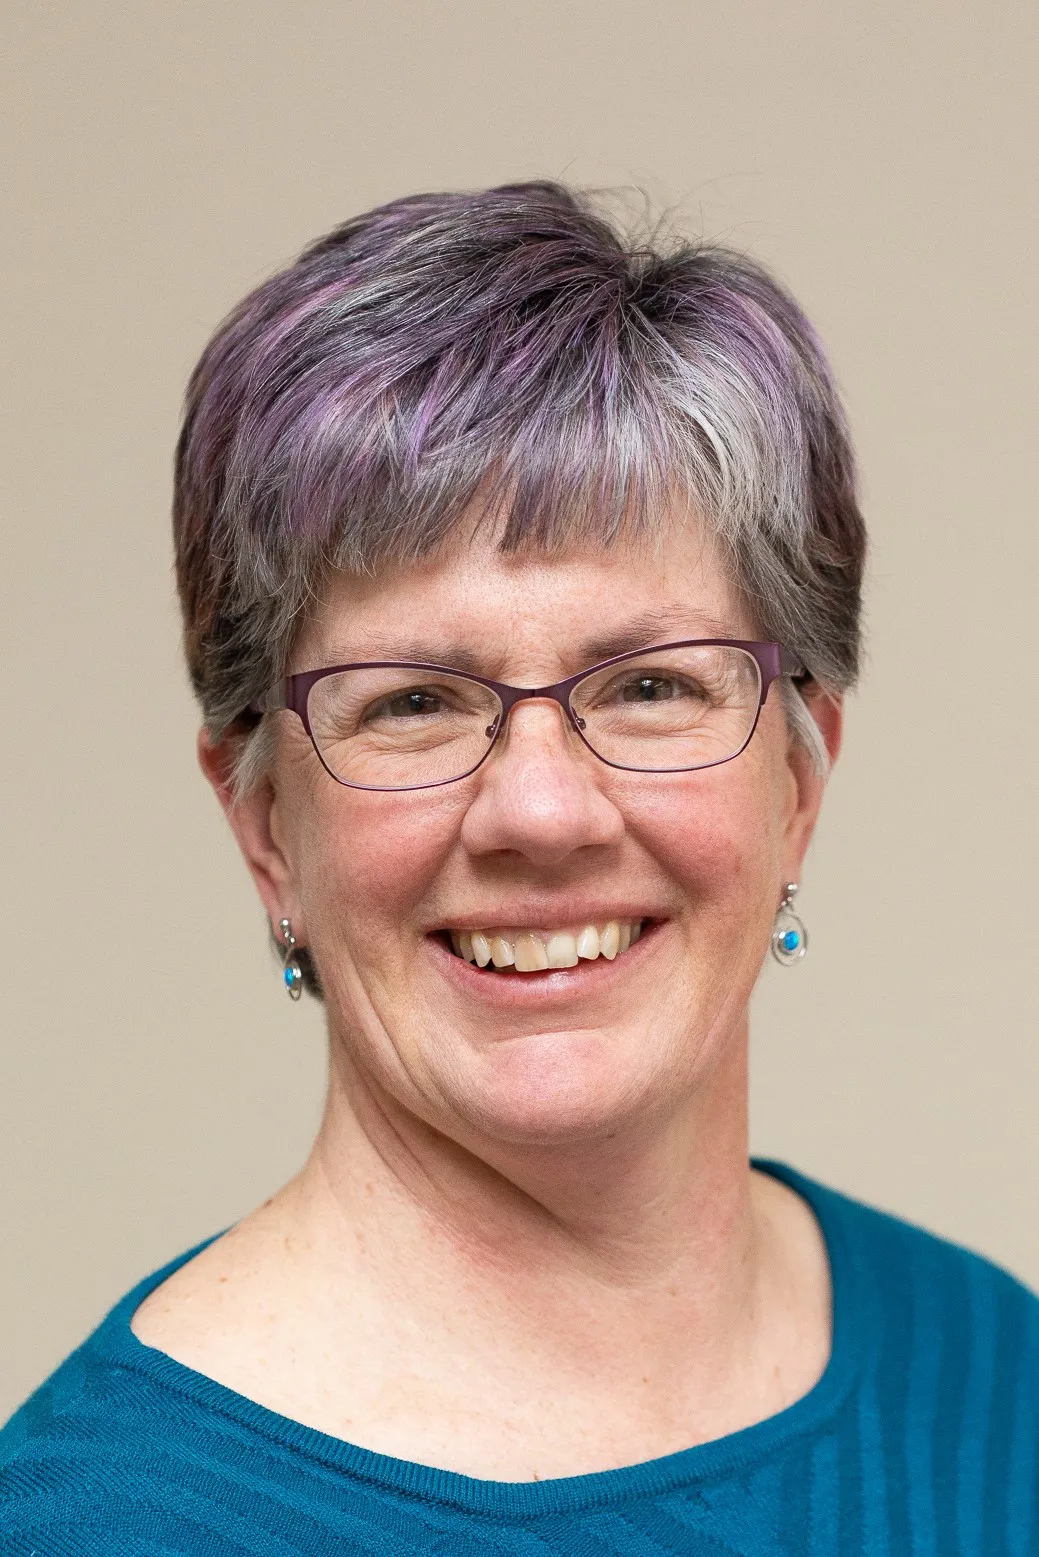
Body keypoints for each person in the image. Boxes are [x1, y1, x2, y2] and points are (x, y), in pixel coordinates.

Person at [2, 182, 1036, 1555]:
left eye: (650, 686)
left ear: (797, 781)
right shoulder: (99, 1522)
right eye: (412, 701)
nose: (540, 813)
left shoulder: (991, 1376)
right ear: (264, 828)